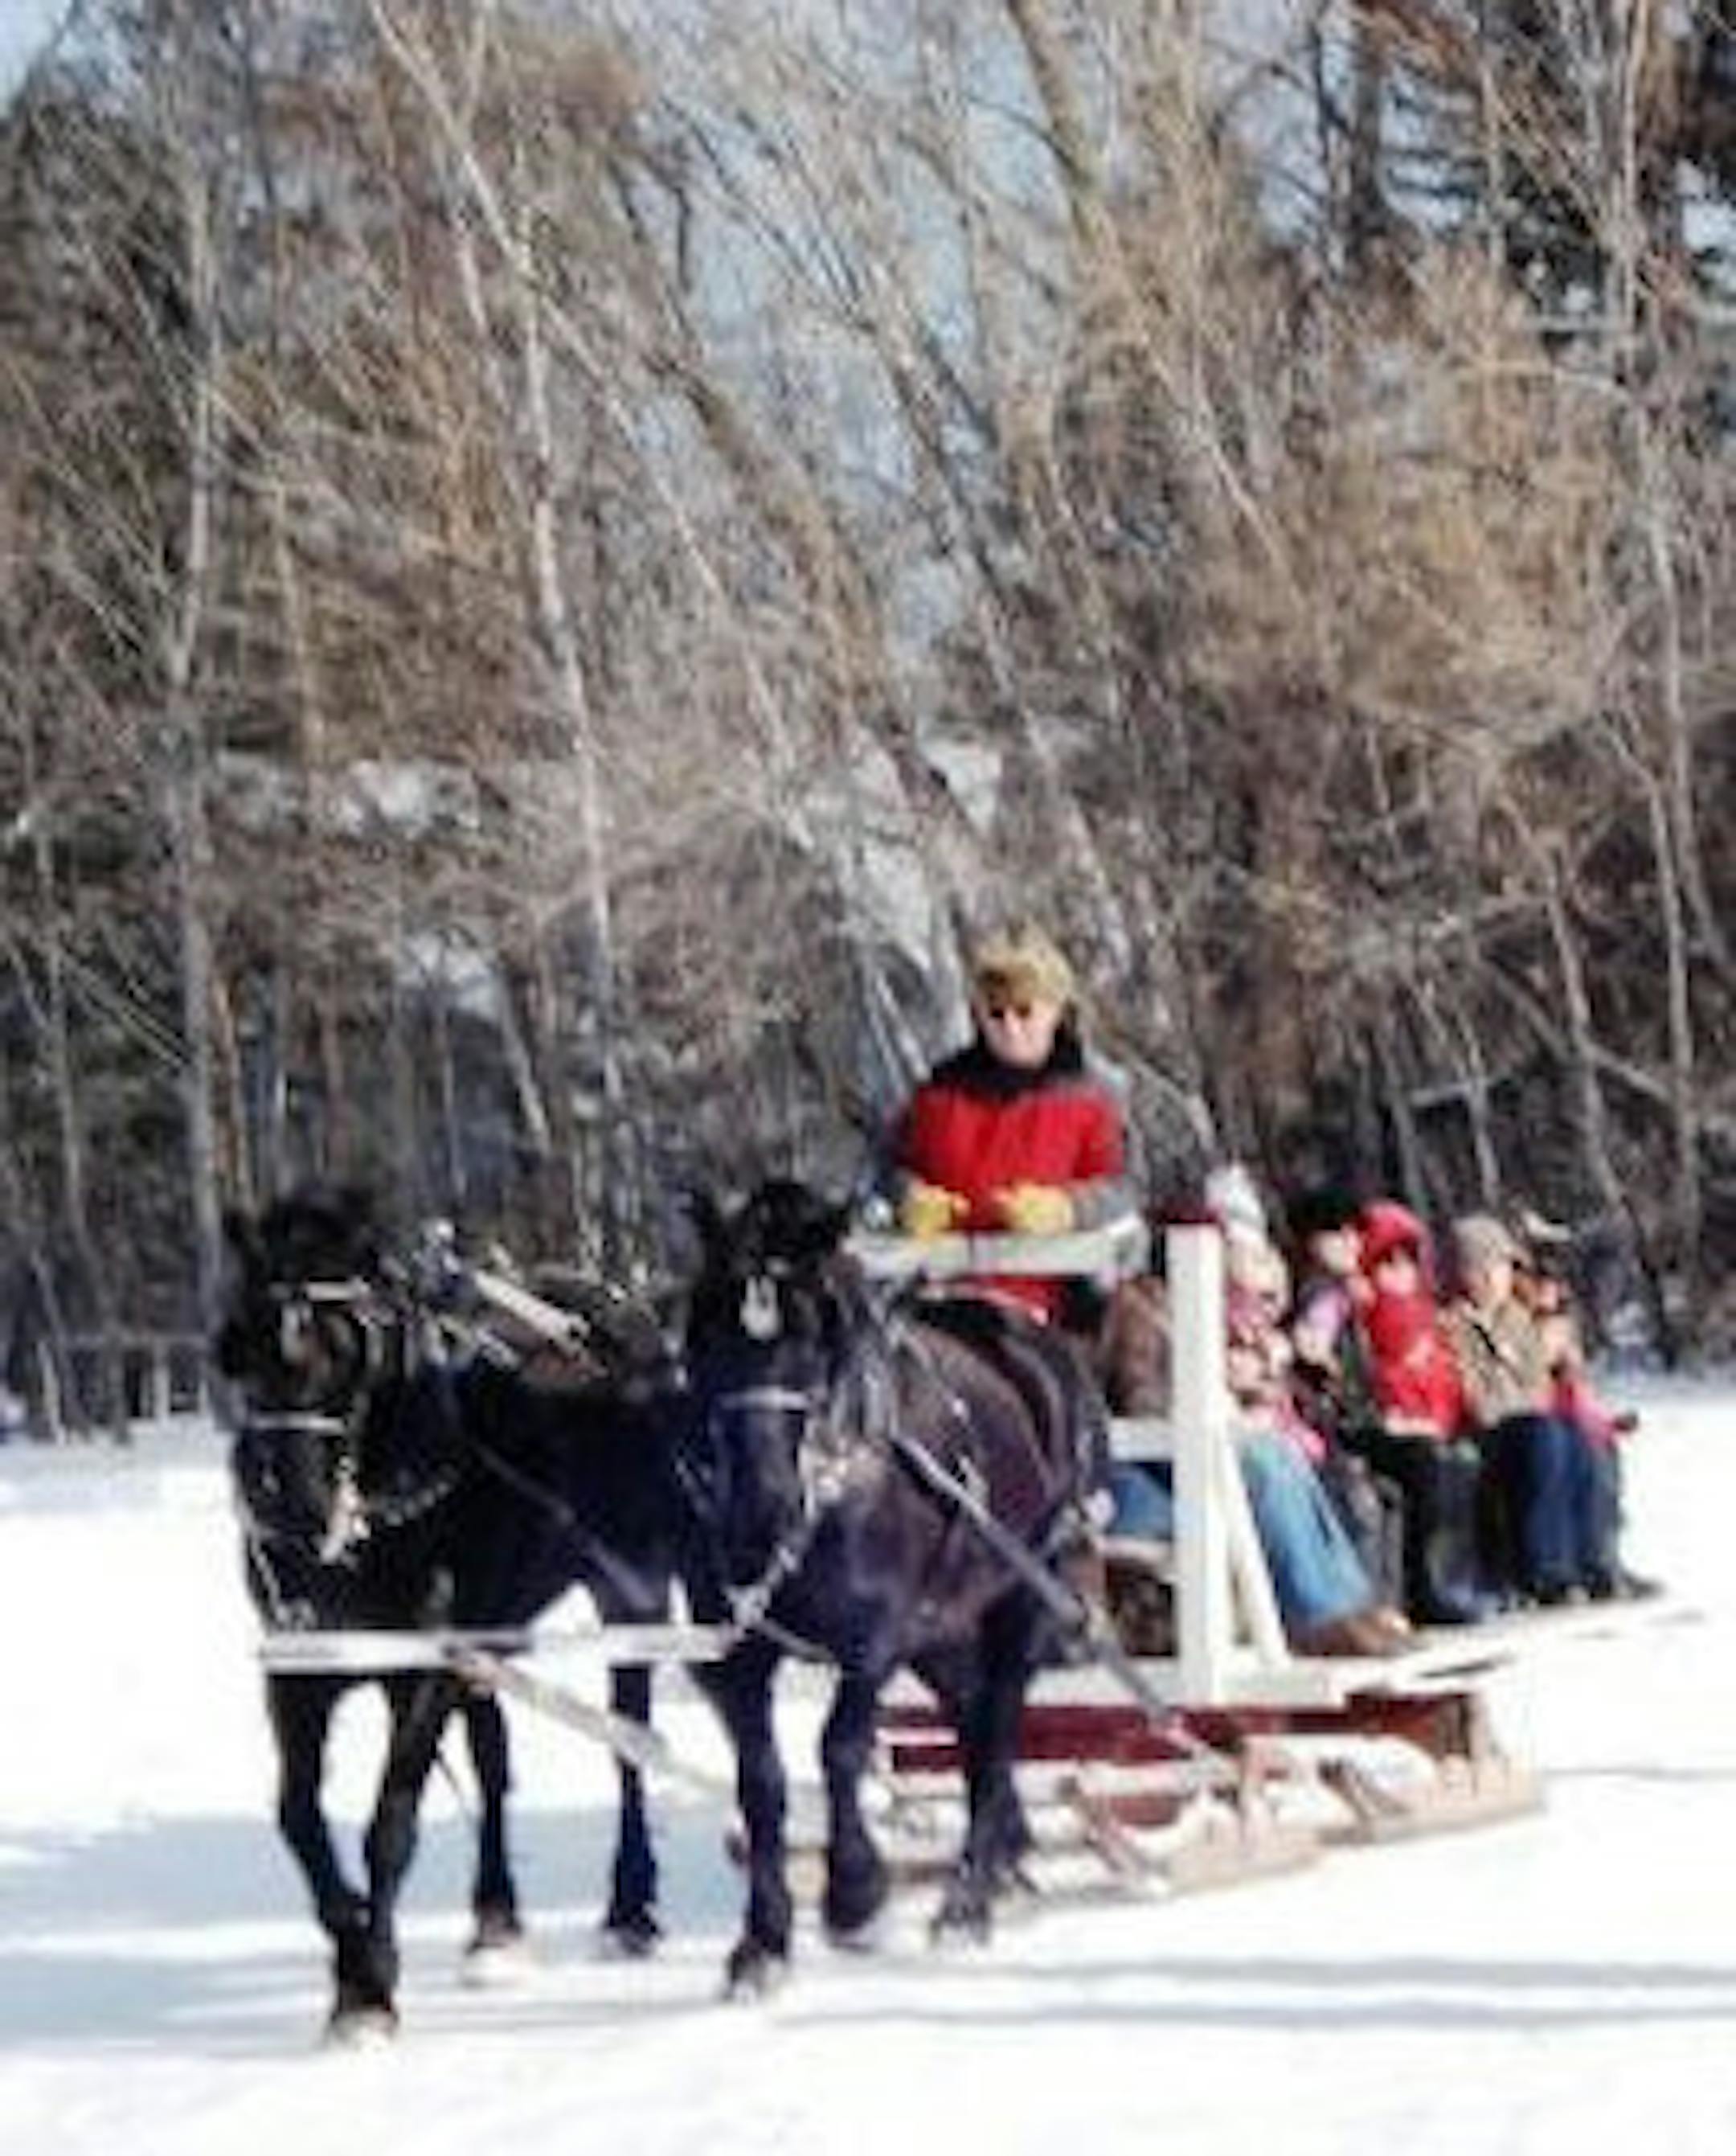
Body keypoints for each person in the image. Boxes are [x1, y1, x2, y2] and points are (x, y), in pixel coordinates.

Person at [887, 923, 1133, 1322]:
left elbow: (1123, 1187)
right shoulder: (938, 1095)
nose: (1011, 1029)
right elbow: (890, 1168)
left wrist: (1068, 1209)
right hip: (939, 1297)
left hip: (1056, 1305)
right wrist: (909, 1198)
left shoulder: (1091, 1099)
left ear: (1055, 1011)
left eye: (1024, 1012)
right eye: (996, 1015)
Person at [1444, 1213, 1600, 1606]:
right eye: (1488, 1266)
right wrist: (1512, 1399)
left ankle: (1588, 1559)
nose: (1498, 1277)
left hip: (1523, 1418)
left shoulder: (1516, 1319)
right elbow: (1470, 1391)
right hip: (1481, 1428)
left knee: (1576, 1439)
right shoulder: (1451, 1324)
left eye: (1502, 1267)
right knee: (1544, 1437)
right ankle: (1543, 1568)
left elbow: (1537, 1381)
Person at [1354, 1199, 1492, 1625]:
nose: (1399, 1272)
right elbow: (1374, 1379)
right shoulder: (1365, 1314)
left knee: (1466, 1464)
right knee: (1430, 1468)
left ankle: (1463, 1578)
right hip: (1392, 1427)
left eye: (1406, 1261)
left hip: (1437, 1421)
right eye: (1386, 1261)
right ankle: (1429, 1584)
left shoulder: (1430, 1319)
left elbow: (1447, 1379)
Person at [1513, 1249, 1656, 1601]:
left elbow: (1576, 1395)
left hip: (1565, 1417)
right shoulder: (1517, 1324)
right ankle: (1558, 1567)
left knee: (1598, 1453)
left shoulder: (1560, 1327)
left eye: (1555, 1285)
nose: (1548, 1291)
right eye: (1540, 1282)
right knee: (1565, 1448)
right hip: (1527, 1419)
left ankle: (1601, 1558)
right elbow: (1524, 1385)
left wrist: (1604, 1422)